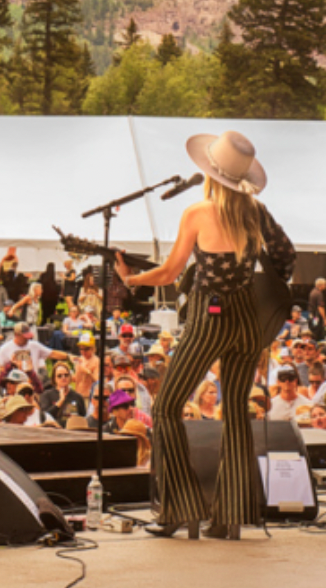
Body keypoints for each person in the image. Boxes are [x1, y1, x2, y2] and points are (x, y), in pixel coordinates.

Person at [117, 130, 295, 541]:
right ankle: (229, 518)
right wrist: (264, 291)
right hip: (247, 319)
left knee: (166, 408)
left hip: (209, 316)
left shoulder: (197, 212)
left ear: (210, 173)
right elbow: (286, 256)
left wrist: (131, 279)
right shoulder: (257, 212)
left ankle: (179, 510)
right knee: (235, 413)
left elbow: (168, 273)